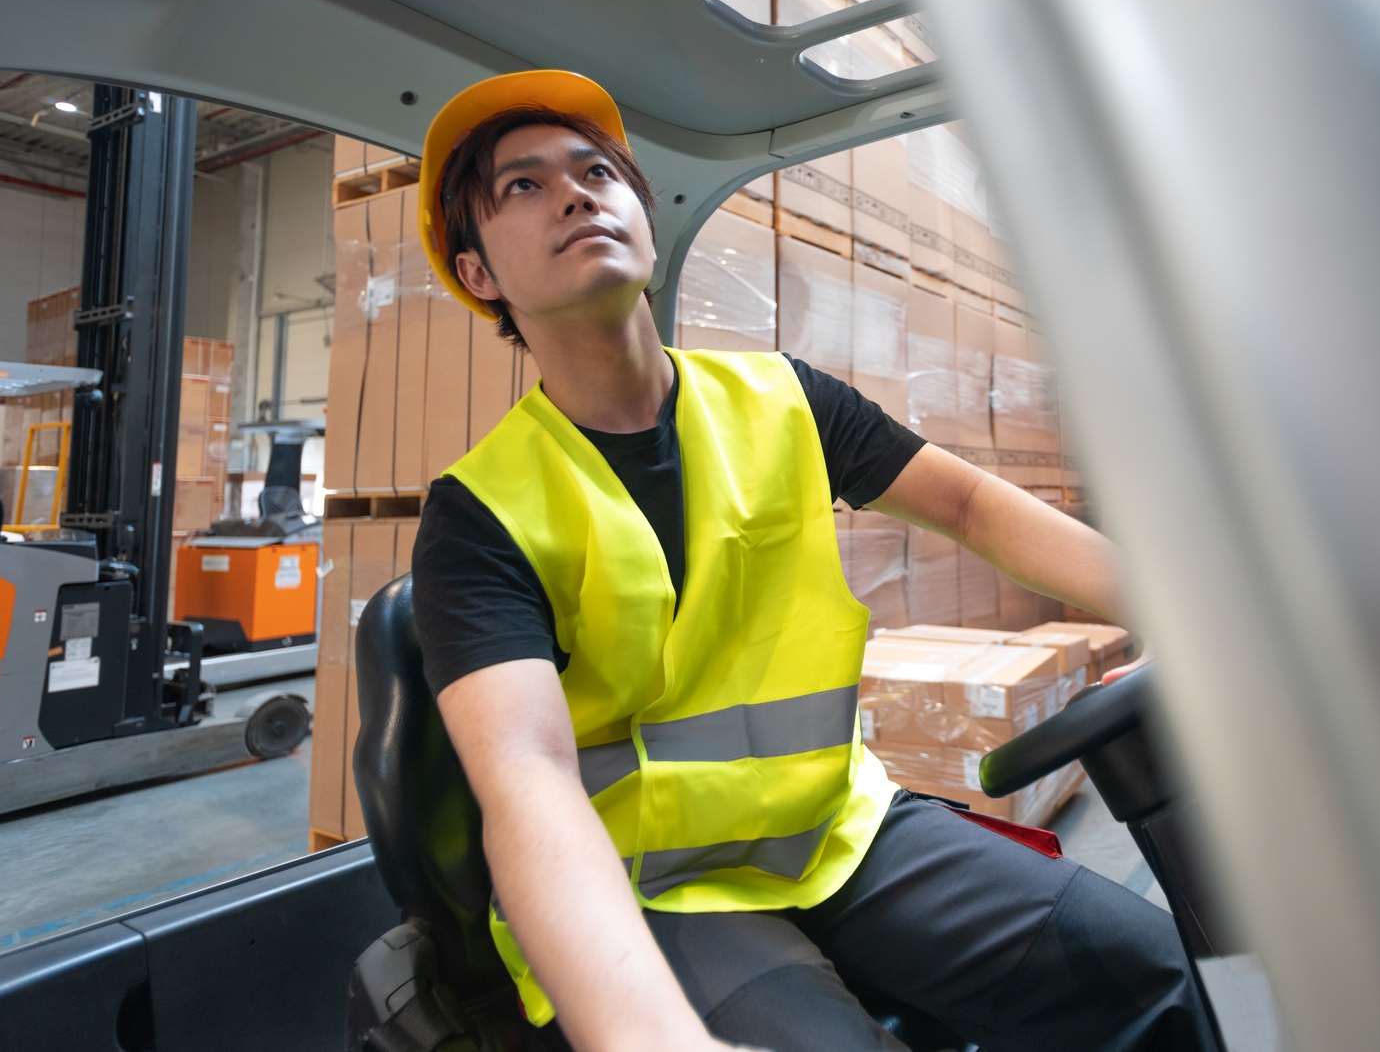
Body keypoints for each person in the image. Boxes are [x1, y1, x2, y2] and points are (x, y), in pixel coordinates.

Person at [409, 69, 1215, 1052]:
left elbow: (966, 503)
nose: (575, 192)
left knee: (1151, 970)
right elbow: (527, 778)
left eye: (594, 171)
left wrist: (1198, 621)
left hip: (837, 828)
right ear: (479, 273)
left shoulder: (782, 401)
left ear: (647, 227)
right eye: (521, 187)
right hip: (654, 883)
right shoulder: (481, 512)